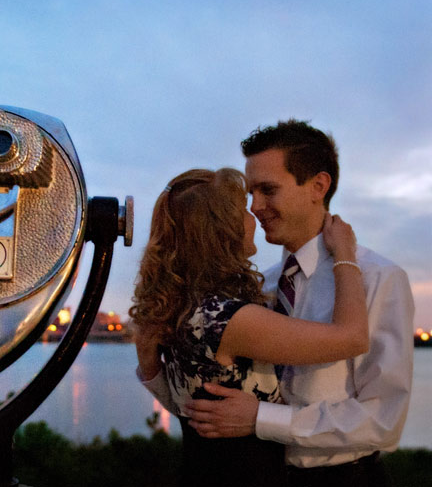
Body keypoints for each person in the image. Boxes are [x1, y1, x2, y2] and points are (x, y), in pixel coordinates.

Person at [183, 120, 415, 487]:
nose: (256, 206)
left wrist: (262, 418)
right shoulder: (263, 283)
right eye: (251, 194)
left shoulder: (378, 279)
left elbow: (383, 420)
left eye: (268, 190)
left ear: (318, 186)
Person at [132, 167, 369, 487]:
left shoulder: (185, 307)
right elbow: (352, 338)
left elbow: (191, 411)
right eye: (243, 210)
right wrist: (345, 253)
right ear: (223, 229)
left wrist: (150, 369)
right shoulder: (229, 320)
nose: (254, 213)